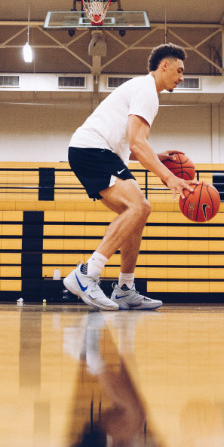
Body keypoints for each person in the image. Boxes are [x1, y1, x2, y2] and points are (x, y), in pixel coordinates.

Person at [57, 44, 197, 311]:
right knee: (140, 207)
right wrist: (170, 178)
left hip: (94, 150)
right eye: (179, 71)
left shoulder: (142, 89)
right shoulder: (147, 92)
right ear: (164, 66)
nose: (181, 77)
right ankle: (87, 274)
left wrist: (157, 155)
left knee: (137, 214)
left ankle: (124, 288)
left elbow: (130, 146)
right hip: (92, 149)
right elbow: (136, 143)